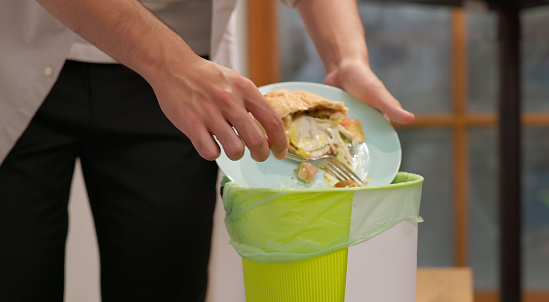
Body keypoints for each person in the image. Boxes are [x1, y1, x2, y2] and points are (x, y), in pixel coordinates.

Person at [0, 0, 415, 301]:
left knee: (163, 285)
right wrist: (171, 64)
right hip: (20, 64)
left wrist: (347, 58)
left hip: (186, 87)